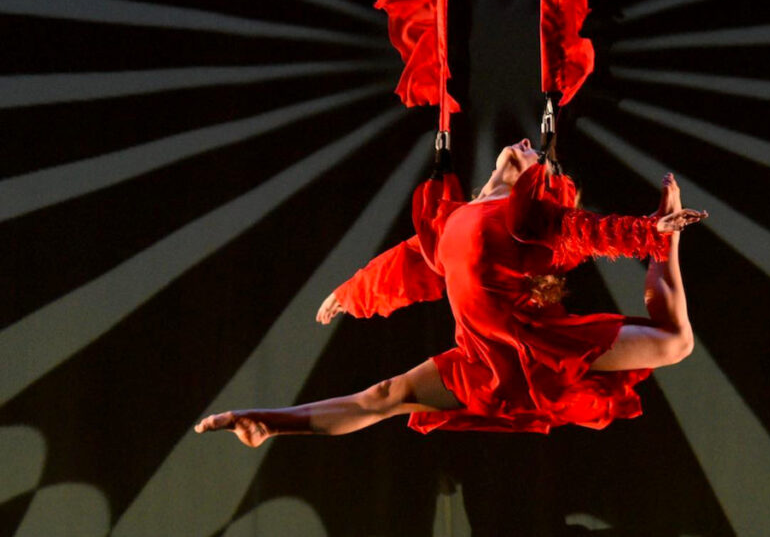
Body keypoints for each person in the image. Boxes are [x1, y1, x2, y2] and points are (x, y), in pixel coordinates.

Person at [195, 139, 706, 447]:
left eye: (532, 150)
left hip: (537, 346)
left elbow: (585, 233)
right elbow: (411, 260)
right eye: (523, 144)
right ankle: (265, 423)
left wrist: (651, 231)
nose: (525, 144)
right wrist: (352, 292)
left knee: (677, 342)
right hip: (482, 358)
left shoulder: (527, 219)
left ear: (535, 177)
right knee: (384, 397)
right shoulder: (456, 216)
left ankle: (672, 241)